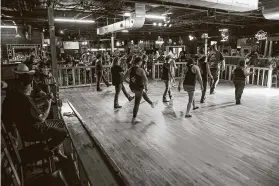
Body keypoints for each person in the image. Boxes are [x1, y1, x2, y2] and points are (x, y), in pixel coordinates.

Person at [2, 64, 68, 160]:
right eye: (31, 86)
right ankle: (48, 149)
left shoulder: (19, 96)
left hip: (25, 130)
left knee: (59, 124)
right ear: (26, 85)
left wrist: (44, 98)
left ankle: (55, 151)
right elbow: (41, 118)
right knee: (63, 131)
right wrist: (48, 104)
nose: (33, 88)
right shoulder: (24, 98)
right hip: (34, 131)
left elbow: (32, 105)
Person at [123, 57, 157, 124]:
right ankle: (134, 119)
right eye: (141, 62)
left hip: (132, 88)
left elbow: (124, 78)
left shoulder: (130, 69)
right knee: (137, 103)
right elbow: (146, 80)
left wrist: (129, 82)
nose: (141, 63)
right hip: (139, 88)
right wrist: (146, 87)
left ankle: (151, 103)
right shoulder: (141, 70)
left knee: (143, 94)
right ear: (139, 62)